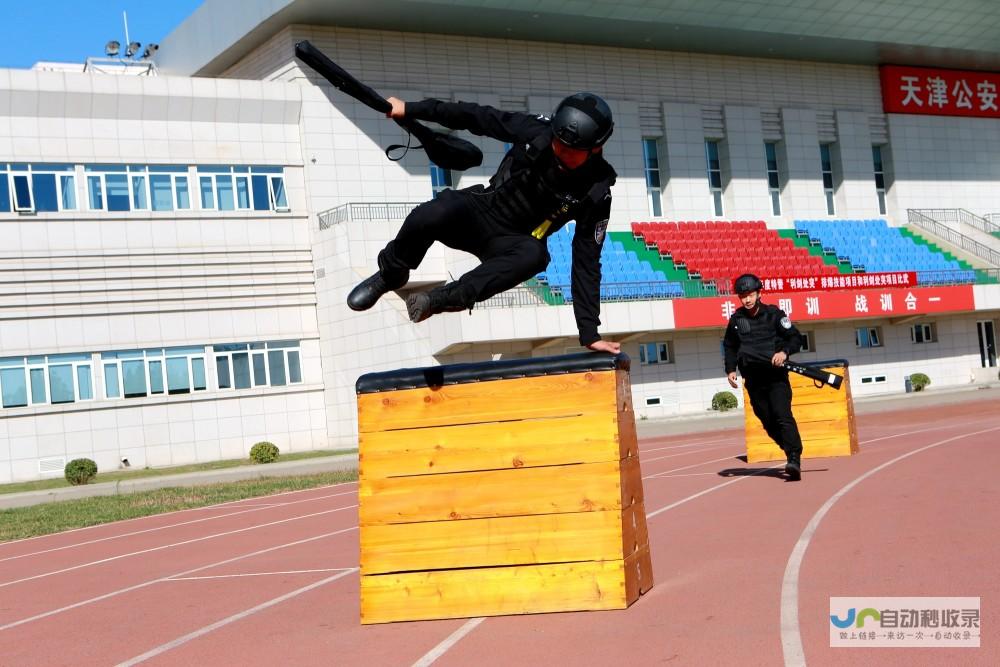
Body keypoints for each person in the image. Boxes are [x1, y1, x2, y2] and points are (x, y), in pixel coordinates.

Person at [345, 92, 621, 354]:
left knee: (536, 256)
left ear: (596, 148)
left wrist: (590, 334)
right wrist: (411, 108)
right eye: (557, 143)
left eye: (570, 151)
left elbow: (586, 262)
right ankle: (391, 274)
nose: (559, 152)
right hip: (481, 210)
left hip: (513, 240)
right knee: (431, 213)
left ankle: (438, 300)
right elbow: (475, 116)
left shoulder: (596, 192)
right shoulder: (537, 130)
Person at [723, 273, 805, 480]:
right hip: (754, 380)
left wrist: (784, 352)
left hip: (776, 377)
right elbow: (730, 347)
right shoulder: (736, 320)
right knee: (767, 420)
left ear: (759, 293)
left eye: (750, 294)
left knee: (782, 415)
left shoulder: (774, 315)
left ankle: (794, 458)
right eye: (743, 296)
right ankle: (789, 448)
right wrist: (730, 370)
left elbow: (796, 338)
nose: (747, 299)